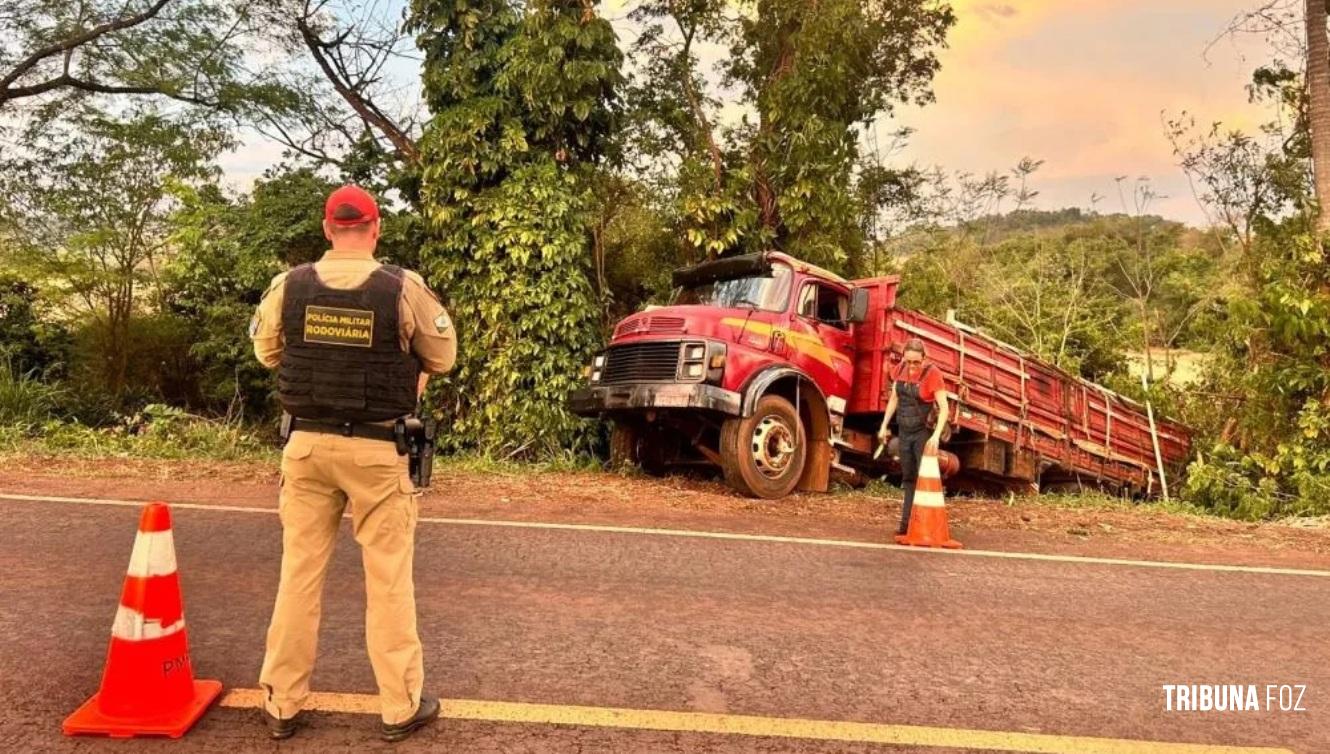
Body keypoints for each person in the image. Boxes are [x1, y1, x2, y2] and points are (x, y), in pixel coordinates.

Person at [248, 185, 457, 742]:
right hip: (376, 451)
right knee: (388, 579)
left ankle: (282, 704)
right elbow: (443, 356)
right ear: (376, 228)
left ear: (326, 229)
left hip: (308, 449)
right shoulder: (401, 287)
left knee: (298, 574)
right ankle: (398, 707)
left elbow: (266, 353)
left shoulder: (289, 286)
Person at [876, 338, 949, 536]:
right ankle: (907, 524)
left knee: (924, 476)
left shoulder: (932, 374)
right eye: (908, 361)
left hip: (922, 432)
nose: (912, 366)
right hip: (904, 430)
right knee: (908, 477)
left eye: (916, 362)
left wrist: (934, 436)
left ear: (924, 359)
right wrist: (883, 426)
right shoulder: (899, 370)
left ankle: (928, 524)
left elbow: (944, 409)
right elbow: (894, 399)